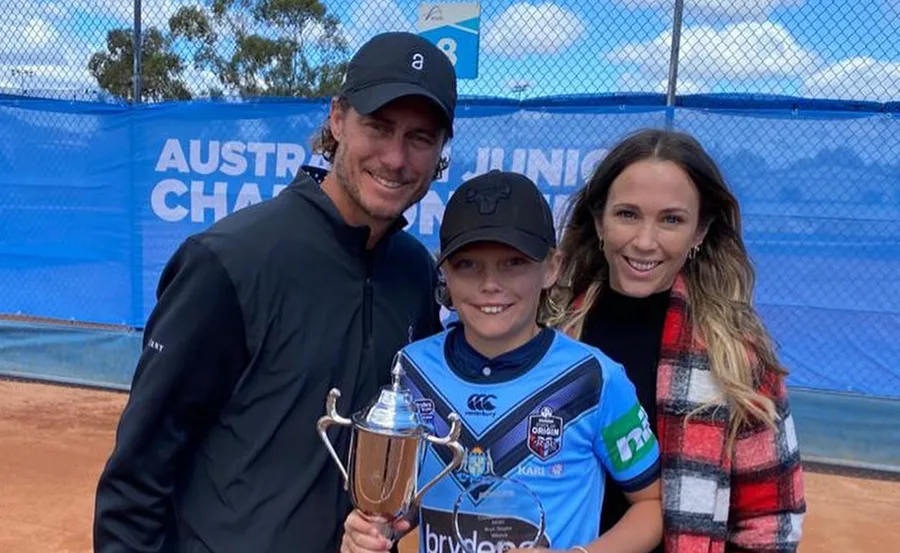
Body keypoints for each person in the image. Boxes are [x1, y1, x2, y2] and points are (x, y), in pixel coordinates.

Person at [93, 31, 457, 553]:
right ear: (337, 119)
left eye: (420, 138)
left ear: (440, 150)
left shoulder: (414, 273)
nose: (396, 158)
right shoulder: (229, 260)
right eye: (378, 127)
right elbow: (137, 479)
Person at [339, 170, 664, 553]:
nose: (490, 284)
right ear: (444, 272)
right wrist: (371, 533)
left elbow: (651, 506)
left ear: (551, 267)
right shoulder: (410, 368)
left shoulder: (595, 378)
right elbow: (401, 508)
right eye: (467, 265)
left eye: (513, 262)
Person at [547, 129, 806, 553]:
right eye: (628, 214)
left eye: (671, 219)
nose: (645, 241)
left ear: (700, 230)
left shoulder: (736, 355)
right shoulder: (548, 329)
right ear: (599, 221)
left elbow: (771, 521)